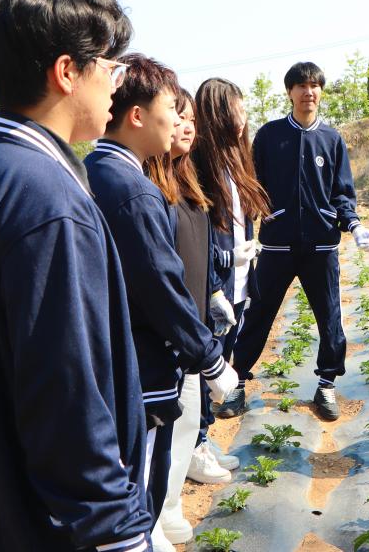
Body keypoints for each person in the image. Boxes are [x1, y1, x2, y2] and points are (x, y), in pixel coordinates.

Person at [0, 0, 151, 551]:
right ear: (67, 72)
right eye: (111, 65)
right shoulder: (48, 197)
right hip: (30, 521)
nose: (116, 83)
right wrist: (116, 530)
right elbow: (65, 388)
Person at [84, 54, 239, 523]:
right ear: (137, 116)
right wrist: (210, 357)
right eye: (172, 109)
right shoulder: (132, 189)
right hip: (140, 361)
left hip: (113, 358)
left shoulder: (95, 171)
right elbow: (160, 286)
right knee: (140, 486)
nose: (177, 122)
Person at [220, 61, 369, 420]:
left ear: (321, 91)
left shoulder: (332, 140)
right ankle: (237, 382)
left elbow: (342, 193)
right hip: (277, 245)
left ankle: (326, 384)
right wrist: (255, 221)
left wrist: (353, 225)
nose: (309, 92)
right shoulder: (270, 136)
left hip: (321, 246)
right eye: (301, 86)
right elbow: (252, 186)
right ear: (290, 92)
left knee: (330, 317)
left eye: (314, 86)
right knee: (258, 314)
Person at [145, 88, 237, 549]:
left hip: (192, 330)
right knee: (162, 434)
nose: (186, 127)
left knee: (184, 427)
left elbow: (200, 253)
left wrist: (215, 290)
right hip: (170, 337)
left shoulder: (189, 182)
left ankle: (169, 505)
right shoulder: (151, 190)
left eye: (192, 120)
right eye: (178, 116)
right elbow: (159, 278)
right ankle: (153, 515)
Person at [189, 78, 270, 469]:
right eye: (235, 110)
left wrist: (246, 256)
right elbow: (194, 237)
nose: (242, 119)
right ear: (216, 115)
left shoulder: (235, 160)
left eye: (243, 110)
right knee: (205, 369)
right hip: (214, 287)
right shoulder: (196, 166)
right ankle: (195, 445)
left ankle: (202, 441)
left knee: (222, 358)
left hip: (236, 284)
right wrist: (219, 274)